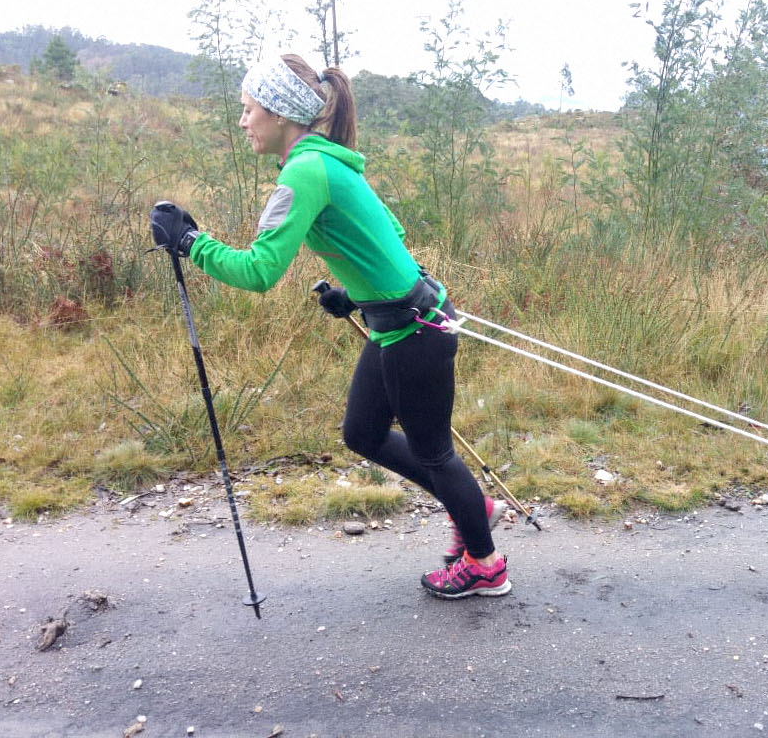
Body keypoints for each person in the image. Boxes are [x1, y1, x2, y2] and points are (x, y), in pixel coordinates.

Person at [148, 54, 509, 599]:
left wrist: (190, 243)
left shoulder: (306, 169)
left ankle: (485, 564)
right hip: (397, 320)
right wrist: (357, 295)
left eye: (248, 111)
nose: (243, 121)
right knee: (361, 434)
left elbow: (259, 271)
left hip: (416, 328)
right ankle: (471, 507)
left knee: (434, 452)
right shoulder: (327, 164)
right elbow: (387, 229)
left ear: (277, 113)